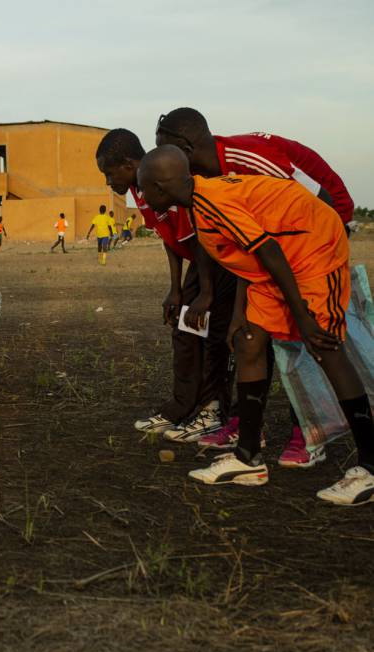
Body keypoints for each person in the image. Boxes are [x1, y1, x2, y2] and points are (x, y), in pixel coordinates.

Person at [138, 145, 374, 505]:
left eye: (143, 188)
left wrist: (302, 317)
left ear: (159, 186)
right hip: (281, 254)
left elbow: (268, 251)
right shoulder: (200, 200)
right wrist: (239, 316)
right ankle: (248, 458)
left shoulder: (211, 200)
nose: (140, 196)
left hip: (312, 249)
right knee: (249, 341)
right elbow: (251, 253)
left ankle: (370, 467)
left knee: (325, 346)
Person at [155, 107, 356, 465]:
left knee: (309, 335)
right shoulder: (205, 190)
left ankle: (309, 429)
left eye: (166, 151)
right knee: (251, 334)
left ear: (185, 149)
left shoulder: (248, 159)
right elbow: (251, 252)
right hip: (272, 246)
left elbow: (309, 207)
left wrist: (314, 281)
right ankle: (248, 435)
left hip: (318, 229)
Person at [96, 128, 233, 441]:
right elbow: (171, 238)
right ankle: (182, 407)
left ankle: (214, 410)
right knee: (185, 330)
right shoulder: (139, 189)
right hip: (199, 265)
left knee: (210, 333)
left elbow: (199, 239)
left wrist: (206, 293)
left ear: (129, 164)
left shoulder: (161, 178)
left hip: (216, 259)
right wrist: (175, 289)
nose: (108, 182)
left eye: (108, 173)